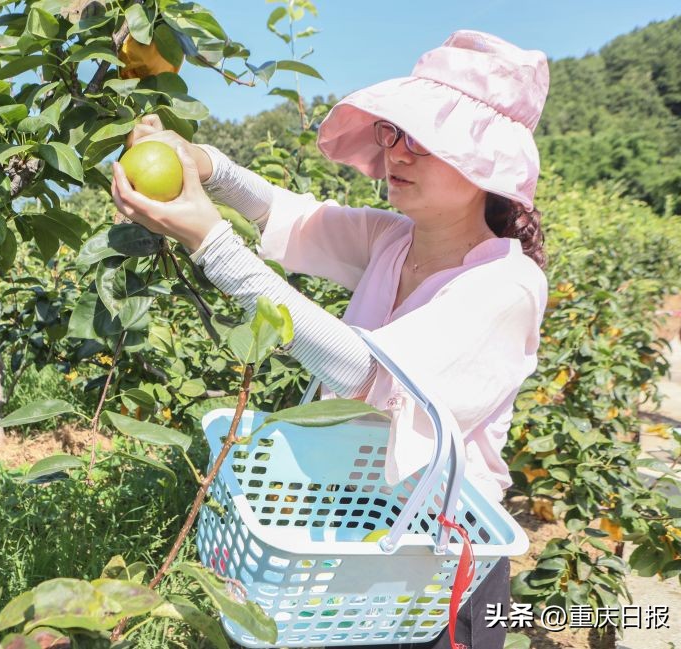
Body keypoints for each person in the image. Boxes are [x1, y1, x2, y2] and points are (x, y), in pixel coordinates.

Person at [112, 29, 549, 649]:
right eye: (394, 132)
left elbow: (364, 372)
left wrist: (212, 245)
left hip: (442, 569)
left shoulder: (505, 285)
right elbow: (286, 215)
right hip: (358, 536)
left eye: (424, 140)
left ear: (486, 166)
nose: (397, 153)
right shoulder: (396, 239)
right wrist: (200, 163)